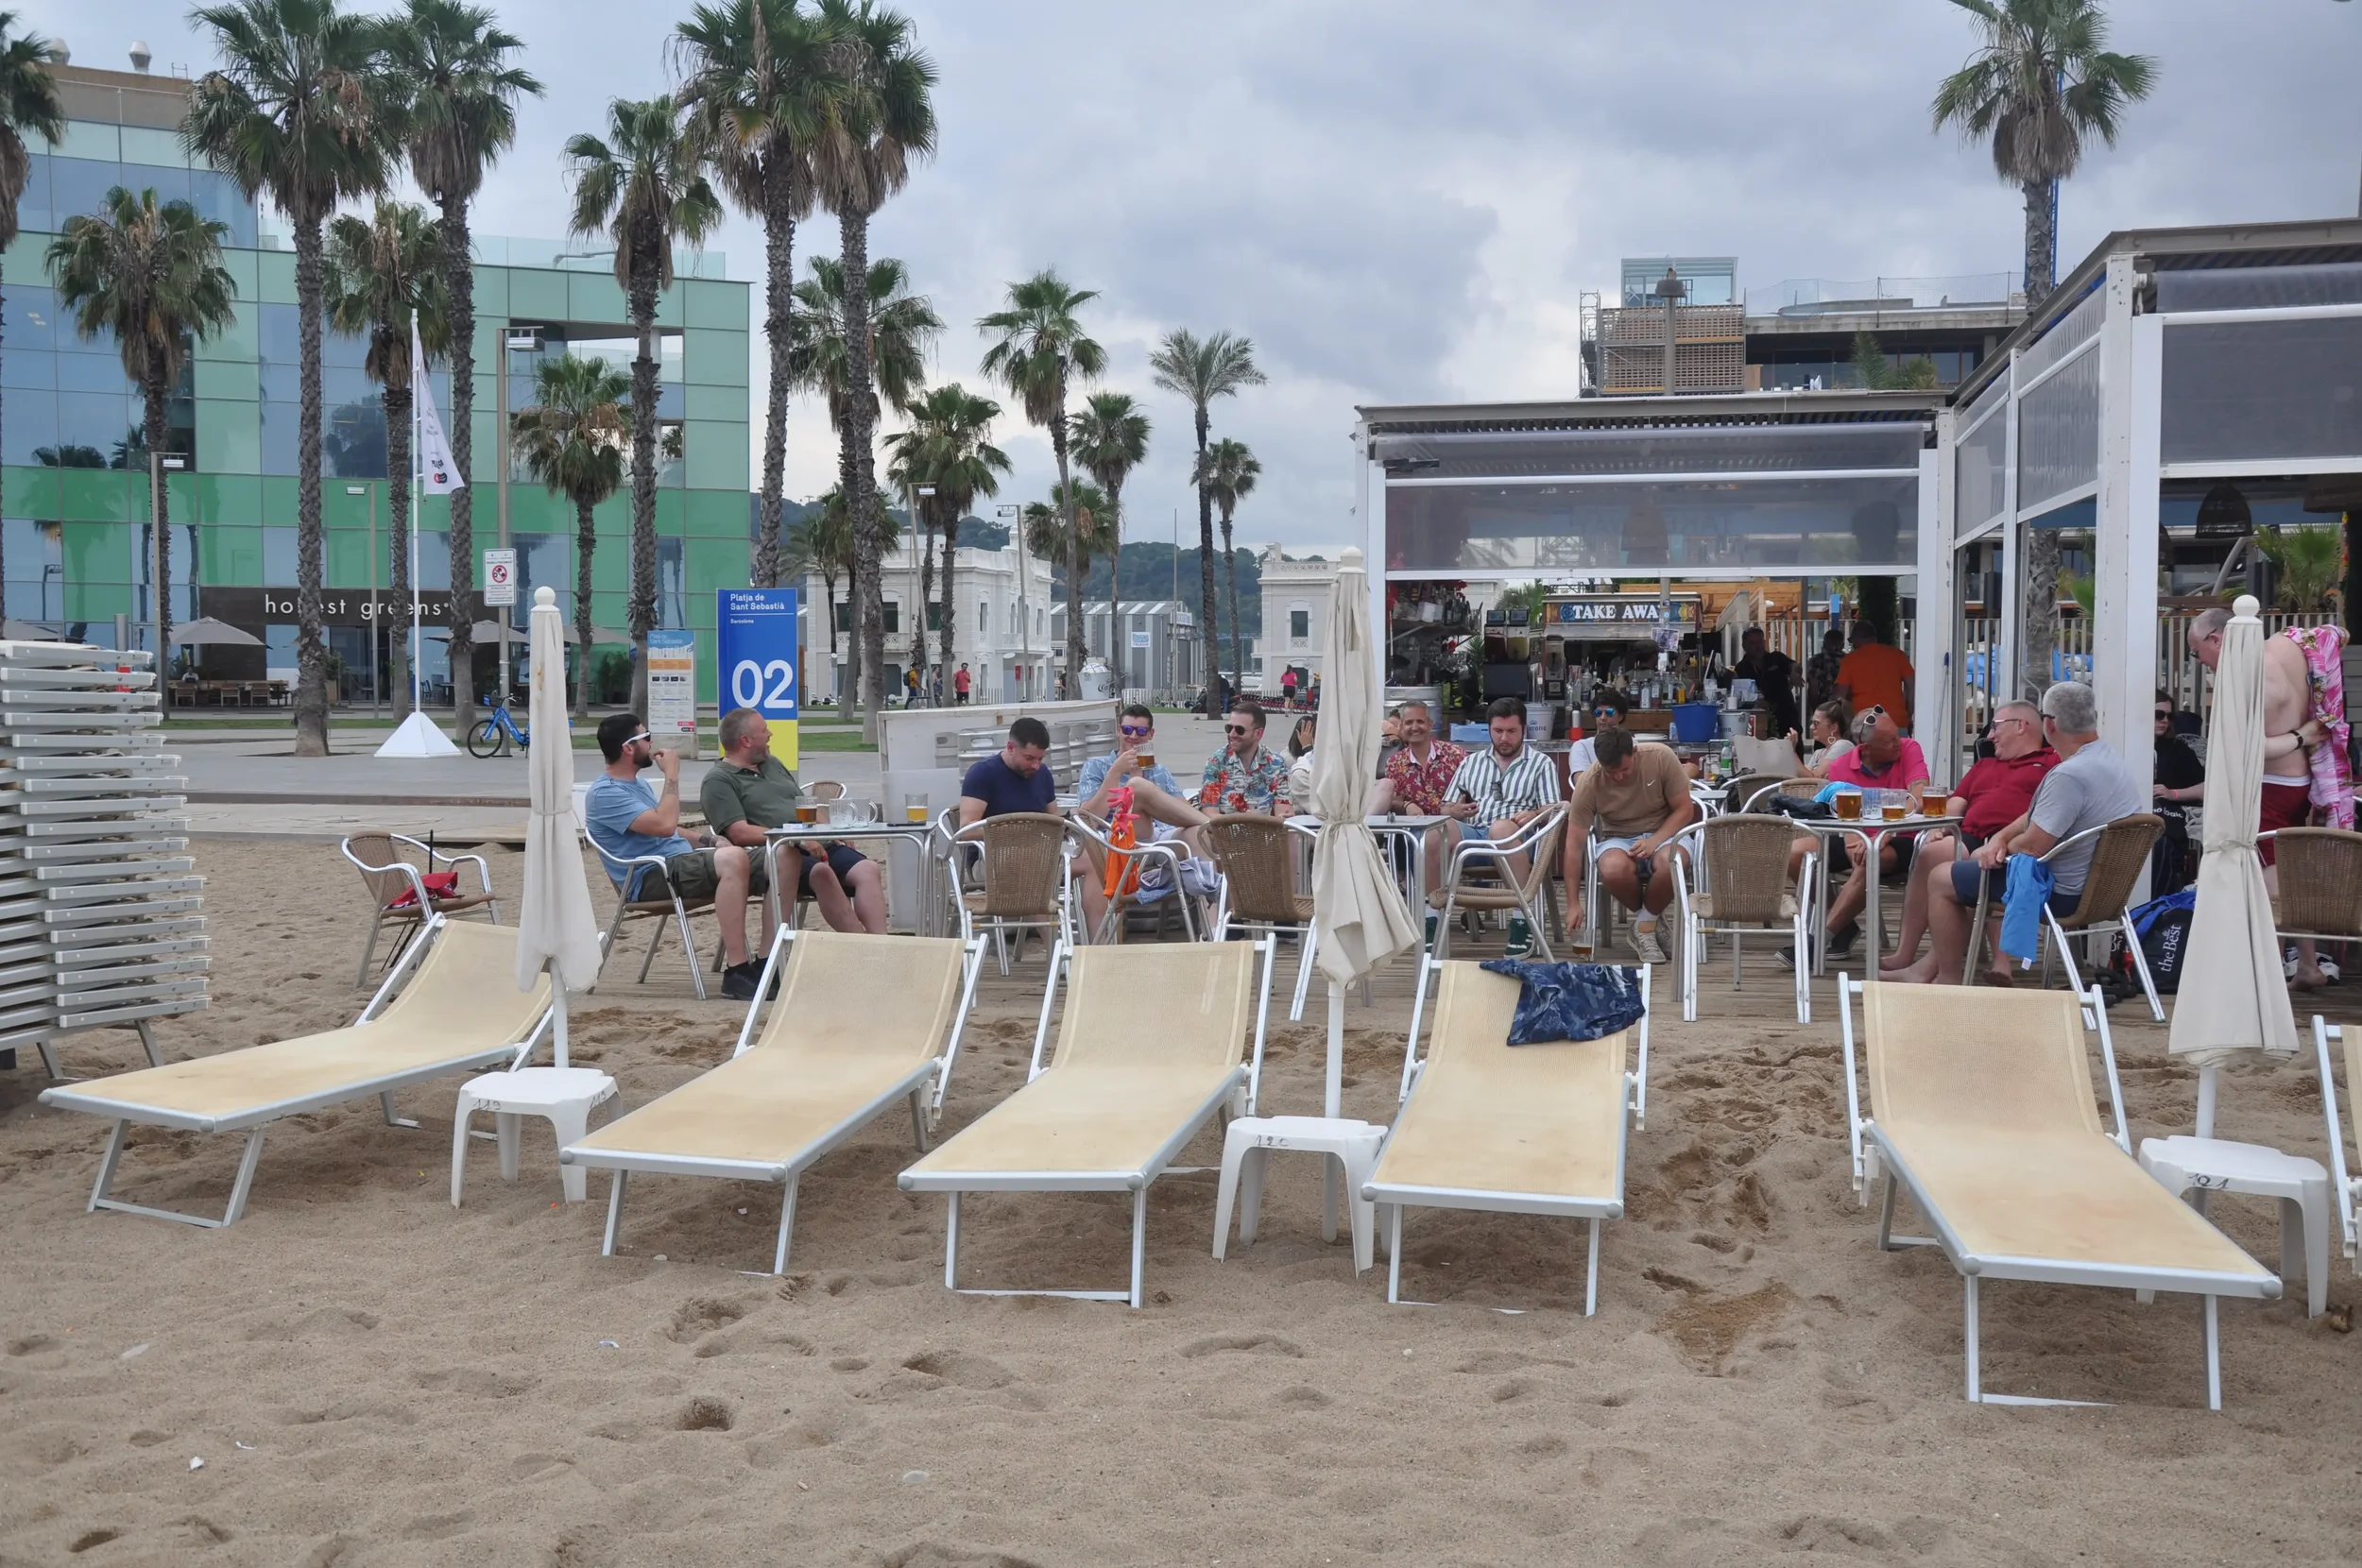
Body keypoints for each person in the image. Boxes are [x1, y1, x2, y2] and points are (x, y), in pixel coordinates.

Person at [1891, 680, 2143, 987]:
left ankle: (1948, 979)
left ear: (2049, 724)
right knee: (1960, 867)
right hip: (2103, 891)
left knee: (1942, 878)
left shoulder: (2068, 775)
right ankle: (1925, 969)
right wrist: (2000, 838)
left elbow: (2034, 846)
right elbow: (2038, 815)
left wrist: (1996, 849)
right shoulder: (2109, 760)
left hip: (2061, 893)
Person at [585, 712, 773, 1001]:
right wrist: (672, 776)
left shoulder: (638, 785)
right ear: (628, 748)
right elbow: (663, 826)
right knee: (734, 859)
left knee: (778, 855)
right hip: (649, 878)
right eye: (646, 738)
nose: (652, 743)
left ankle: (768, 962)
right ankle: (737, 971)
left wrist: (708, 839)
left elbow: (668, 828)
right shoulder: (605, 793)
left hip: (678, 866)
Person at [2189, 606, 2332, 984]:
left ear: (2215, 639)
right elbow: (2336, 639)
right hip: (2301, 782)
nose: (2202, 663)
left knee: (2270, 880)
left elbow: (2245, 749)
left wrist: (2302, 736)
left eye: (2197, 654)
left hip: (2271, 783)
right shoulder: (2285, 644)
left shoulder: (2245, 679)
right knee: (2287, 871)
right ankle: (2308, 964)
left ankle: (2262, 979)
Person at [1880, 699, 2055, 973]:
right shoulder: (1983, 766)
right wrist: (1939, 826)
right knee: (1930, 853)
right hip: (1971, 835)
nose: (1990, 735)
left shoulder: (2051, 764)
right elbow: (1957, 804)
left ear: (2022, 726)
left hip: (2021, 842)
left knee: (1997, 860)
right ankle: (1905, 953)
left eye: (1996, 727)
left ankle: (2001, 964)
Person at [701, 707, 885, 936]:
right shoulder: (719, 780)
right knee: (821, 873)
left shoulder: (772, 763)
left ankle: (882, 944)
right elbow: (739, 833)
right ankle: (860, 945)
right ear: (746, 740)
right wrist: (797, 837)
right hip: (779, 852)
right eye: (764, 730)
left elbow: (806, 804)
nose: (770, 734)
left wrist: (830, 830)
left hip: (814, 841)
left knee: (868, 869)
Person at [1783, 710, 1929, 965]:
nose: (1898, 743)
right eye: (1889, 741)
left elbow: (1920, 796)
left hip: (1905, 837)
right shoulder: (1842, 766)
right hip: (1860, 836)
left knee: (1868, 856)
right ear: (1867, 748)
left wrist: (1885, 832)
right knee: (1795, 852)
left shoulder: (1909, 748)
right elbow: (1845, 818)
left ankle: (1818, 939)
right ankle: (1844, 926)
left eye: (1897, 736)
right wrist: (1857, 841)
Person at [1072, 704, 1212, 939]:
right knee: (1134, 788)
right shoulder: (1096, 767)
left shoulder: (1159, 771)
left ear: (1151, 735)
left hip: (1156, 839)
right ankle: (1216, 827)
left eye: (1140, 731)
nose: (1133, 737)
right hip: (1114, 839)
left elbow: (1182, 811)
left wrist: (1150, 792)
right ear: (1118, 731)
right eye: (1127, 730)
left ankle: (1212, 931)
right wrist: (1116, 773)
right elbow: (1090, 820)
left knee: (1196, 833)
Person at [1564, 723, 1695, 964]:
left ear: (1634, 752)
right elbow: (1573, 846)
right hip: (1618, 837)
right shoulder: (1589, 783)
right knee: (1613, 869)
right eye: (1609, 771)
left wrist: (1654, 841)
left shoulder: (1660, 757)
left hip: (1664, 831)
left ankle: (1643, 928)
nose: (1618, 776)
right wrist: (1573, 903)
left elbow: (1685, 810)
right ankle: (1650, 921)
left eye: (1623, 769)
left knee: (1671, 861)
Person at [1433, 696, 1561, 904]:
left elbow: (1554, 810)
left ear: (1524, 730)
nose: (1504, 738)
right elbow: (1444, 808)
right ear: (1489, 729)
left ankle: (1522, 917)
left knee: (1500, 828)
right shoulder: (1470, 762)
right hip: (1472, 837)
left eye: (1511, 731)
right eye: (1498, 731)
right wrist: (1455, 811)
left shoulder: (1541, 763)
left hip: (1517, 838)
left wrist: (1535, 814)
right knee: (1436, 831)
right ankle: (1431, 915)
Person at [2150, 690, 2205, 892]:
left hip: (2167, 821)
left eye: (2169, 716)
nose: (2164, 720)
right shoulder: (2126, 745)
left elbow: (2207, 787)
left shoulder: (2177, 749)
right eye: (2159, 714)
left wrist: (2172, 793)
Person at [958, 716, 1057, 826]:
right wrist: (1018, 833)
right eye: (1029, 758)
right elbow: (967, 829)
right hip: (995, 842)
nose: (1036, 766)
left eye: (1040, 759)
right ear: (1010, 747)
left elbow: (1054, 818)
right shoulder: (982, 774)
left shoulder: (1043, 774)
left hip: (1035, 841)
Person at [1198, 702, 1292, 815]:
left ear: (1258, 734)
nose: (1232, 734)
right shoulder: (1216, 763)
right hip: (1223, 831)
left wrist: (1283, 816)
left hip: (1266, 831)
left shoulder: (1276, 764)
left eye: (1239, 730)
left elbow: (1283, 810)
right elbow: (1209, 814)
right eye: (1229, 728)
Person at [1381, 701, 1466, 816]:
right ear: (1401, 727)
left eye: (1420, 721)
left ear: (1430, 724)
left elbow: (1472, 792)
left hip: (1453, 826)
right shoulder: (1394, 763)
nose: (1415, 727)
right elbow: (1392, 800)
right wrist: (1406, 805)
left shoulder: (1456, 755)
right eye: (1409, 722)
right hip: (1412, 830)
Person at [1836, 622, 1913, 734]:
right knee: (1897, 751)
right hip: (1896, 719)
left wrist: (1842, 721)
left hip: (1864, 721)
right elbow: (1911, 684)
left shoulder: (1850, 660)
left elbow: (1841, 694)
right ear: (1874, 638)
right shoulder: (1897, 655)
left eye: (1851, 641)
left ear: (1856, 639)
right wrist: (1909, 712)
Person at [1733, 626, 1801, 740]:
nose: (1758, 647)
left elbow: (1794, 665)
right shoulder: (1741, 668)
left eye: (1760, 642)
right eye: (1753, 643)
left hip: (1787, 717)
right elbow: (1742, 697)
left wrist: (1795, 673)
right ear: (1744, 646)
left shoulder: (1776, 658)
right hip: (1762, 723)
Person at [1566, 689, 1633, 775]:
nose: (1603, 717)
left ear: (1620, 716)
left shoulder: (1633, 744)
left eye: (1609, 713)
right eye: (1598, 713)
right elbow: (1581, 783)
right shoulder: (1582, 747)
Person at [1793, 699, 1854, 776]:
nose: (1811, 727)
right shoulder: (1818, 753)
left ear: (1833, 728)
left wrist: (1793, 751)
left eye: (1816, 723)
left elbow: (1813, 780)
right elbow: (1803, 777)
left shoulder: (1843, 745)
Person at [1806, 627, 1847, 719]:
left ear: (1824, 644)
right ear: (1843, 645)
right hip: (1845, 709)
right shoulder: (1849, 660)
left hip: (1824, 707)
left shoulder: (1817, 660)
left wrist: (1815, 709)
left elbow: (1813, 688)